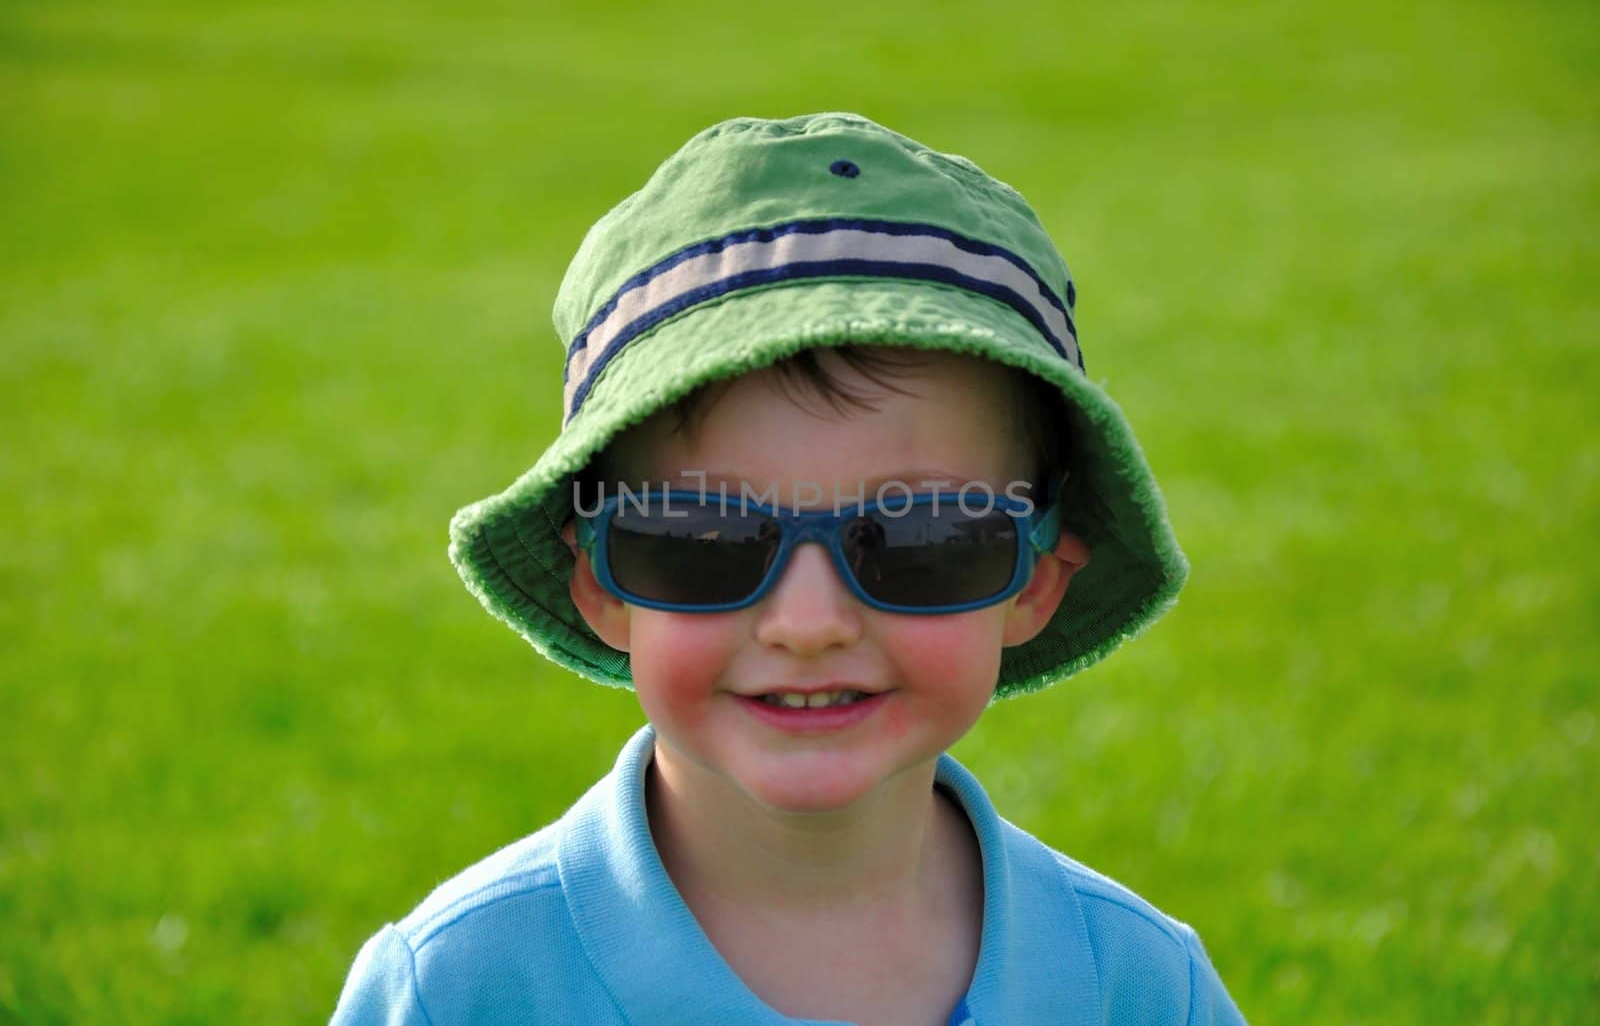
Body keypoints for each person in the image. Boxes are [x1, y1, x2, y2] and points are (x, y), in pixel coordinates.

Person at [331, 112, 1247, 1025]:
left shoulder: (1135, 986)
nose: (808, 623)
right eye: (701, 539)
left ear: (1036, 579)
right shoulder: (461, 988)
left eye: (922, 538)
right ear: (601, 579)